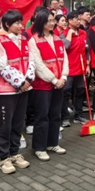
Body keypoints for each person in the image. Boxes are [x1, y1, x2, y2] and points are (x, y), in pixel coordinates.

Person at [0, 10, 34, 174]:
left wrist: (28, 79)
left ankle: (14, 153)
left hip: (24, 88)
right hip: (6, 90)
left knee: (18, 122)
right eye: (16, 23)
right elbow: (1, 65)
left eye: (21, 22)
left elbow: (31, 61)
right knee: (5, 125)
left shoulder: (24, 39)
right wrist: (20, 82)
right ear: (7, 24)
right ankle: (4, 157)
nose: (20, 25)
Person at [28, 9, 69, 161]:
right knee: (42, 116)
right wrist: (53, 79)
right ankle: (39, 147)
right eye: (49, 21)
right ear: (41, 22)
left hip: (59, 82)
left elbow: (65, 59)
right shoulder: (34, 41)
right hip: (43, 85)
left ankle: (52, 143)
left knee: (55, 115)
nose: (52, 23)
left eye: (53, 20)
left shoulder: (57, 39)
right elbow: (38, 65)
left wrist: (63, 76)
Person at [61, 11, 89, 125]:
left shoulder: (83, 33)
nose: (78, 21)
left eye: (79, 19)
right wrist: (70, 34)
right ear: (69, 21)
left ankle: (79, 115)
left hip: (81, 67)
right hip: (69, 68)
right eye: (76, 19)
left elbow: (86, 50)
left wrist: (87, 65)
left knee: (80, 91)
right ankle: (64, 117)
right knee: (66, 92)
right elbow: (65, 47)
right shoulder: (63, 34)